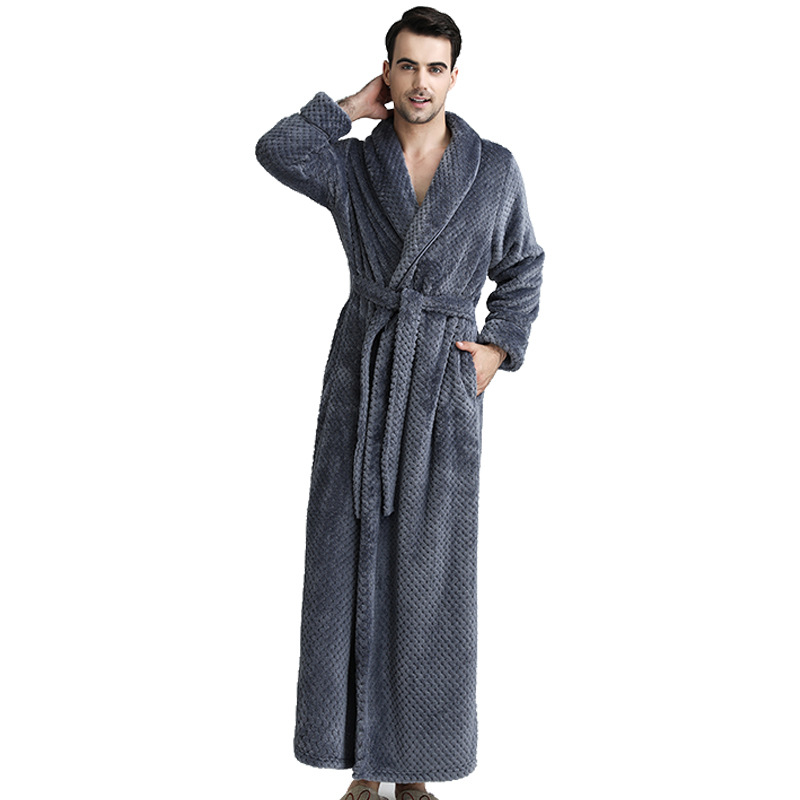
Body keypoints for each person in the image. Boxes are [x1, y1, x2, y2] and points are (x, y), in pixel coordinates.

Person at [255, 7, 544, 800]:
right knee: (346, 561)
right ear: (388, 71)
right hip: (364, 374)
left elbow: (523, 266)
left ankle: (415, 767)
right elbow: (276, 148)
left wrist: (498, 348)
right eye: (407, 66)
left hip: (441, 388)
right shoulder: (356, 166)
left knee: (431, 575)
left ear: (456, 76)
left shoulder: (493, 170)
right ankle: (363, 766)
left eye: (435, 68)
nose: (421, 83)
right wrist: (348, 109)